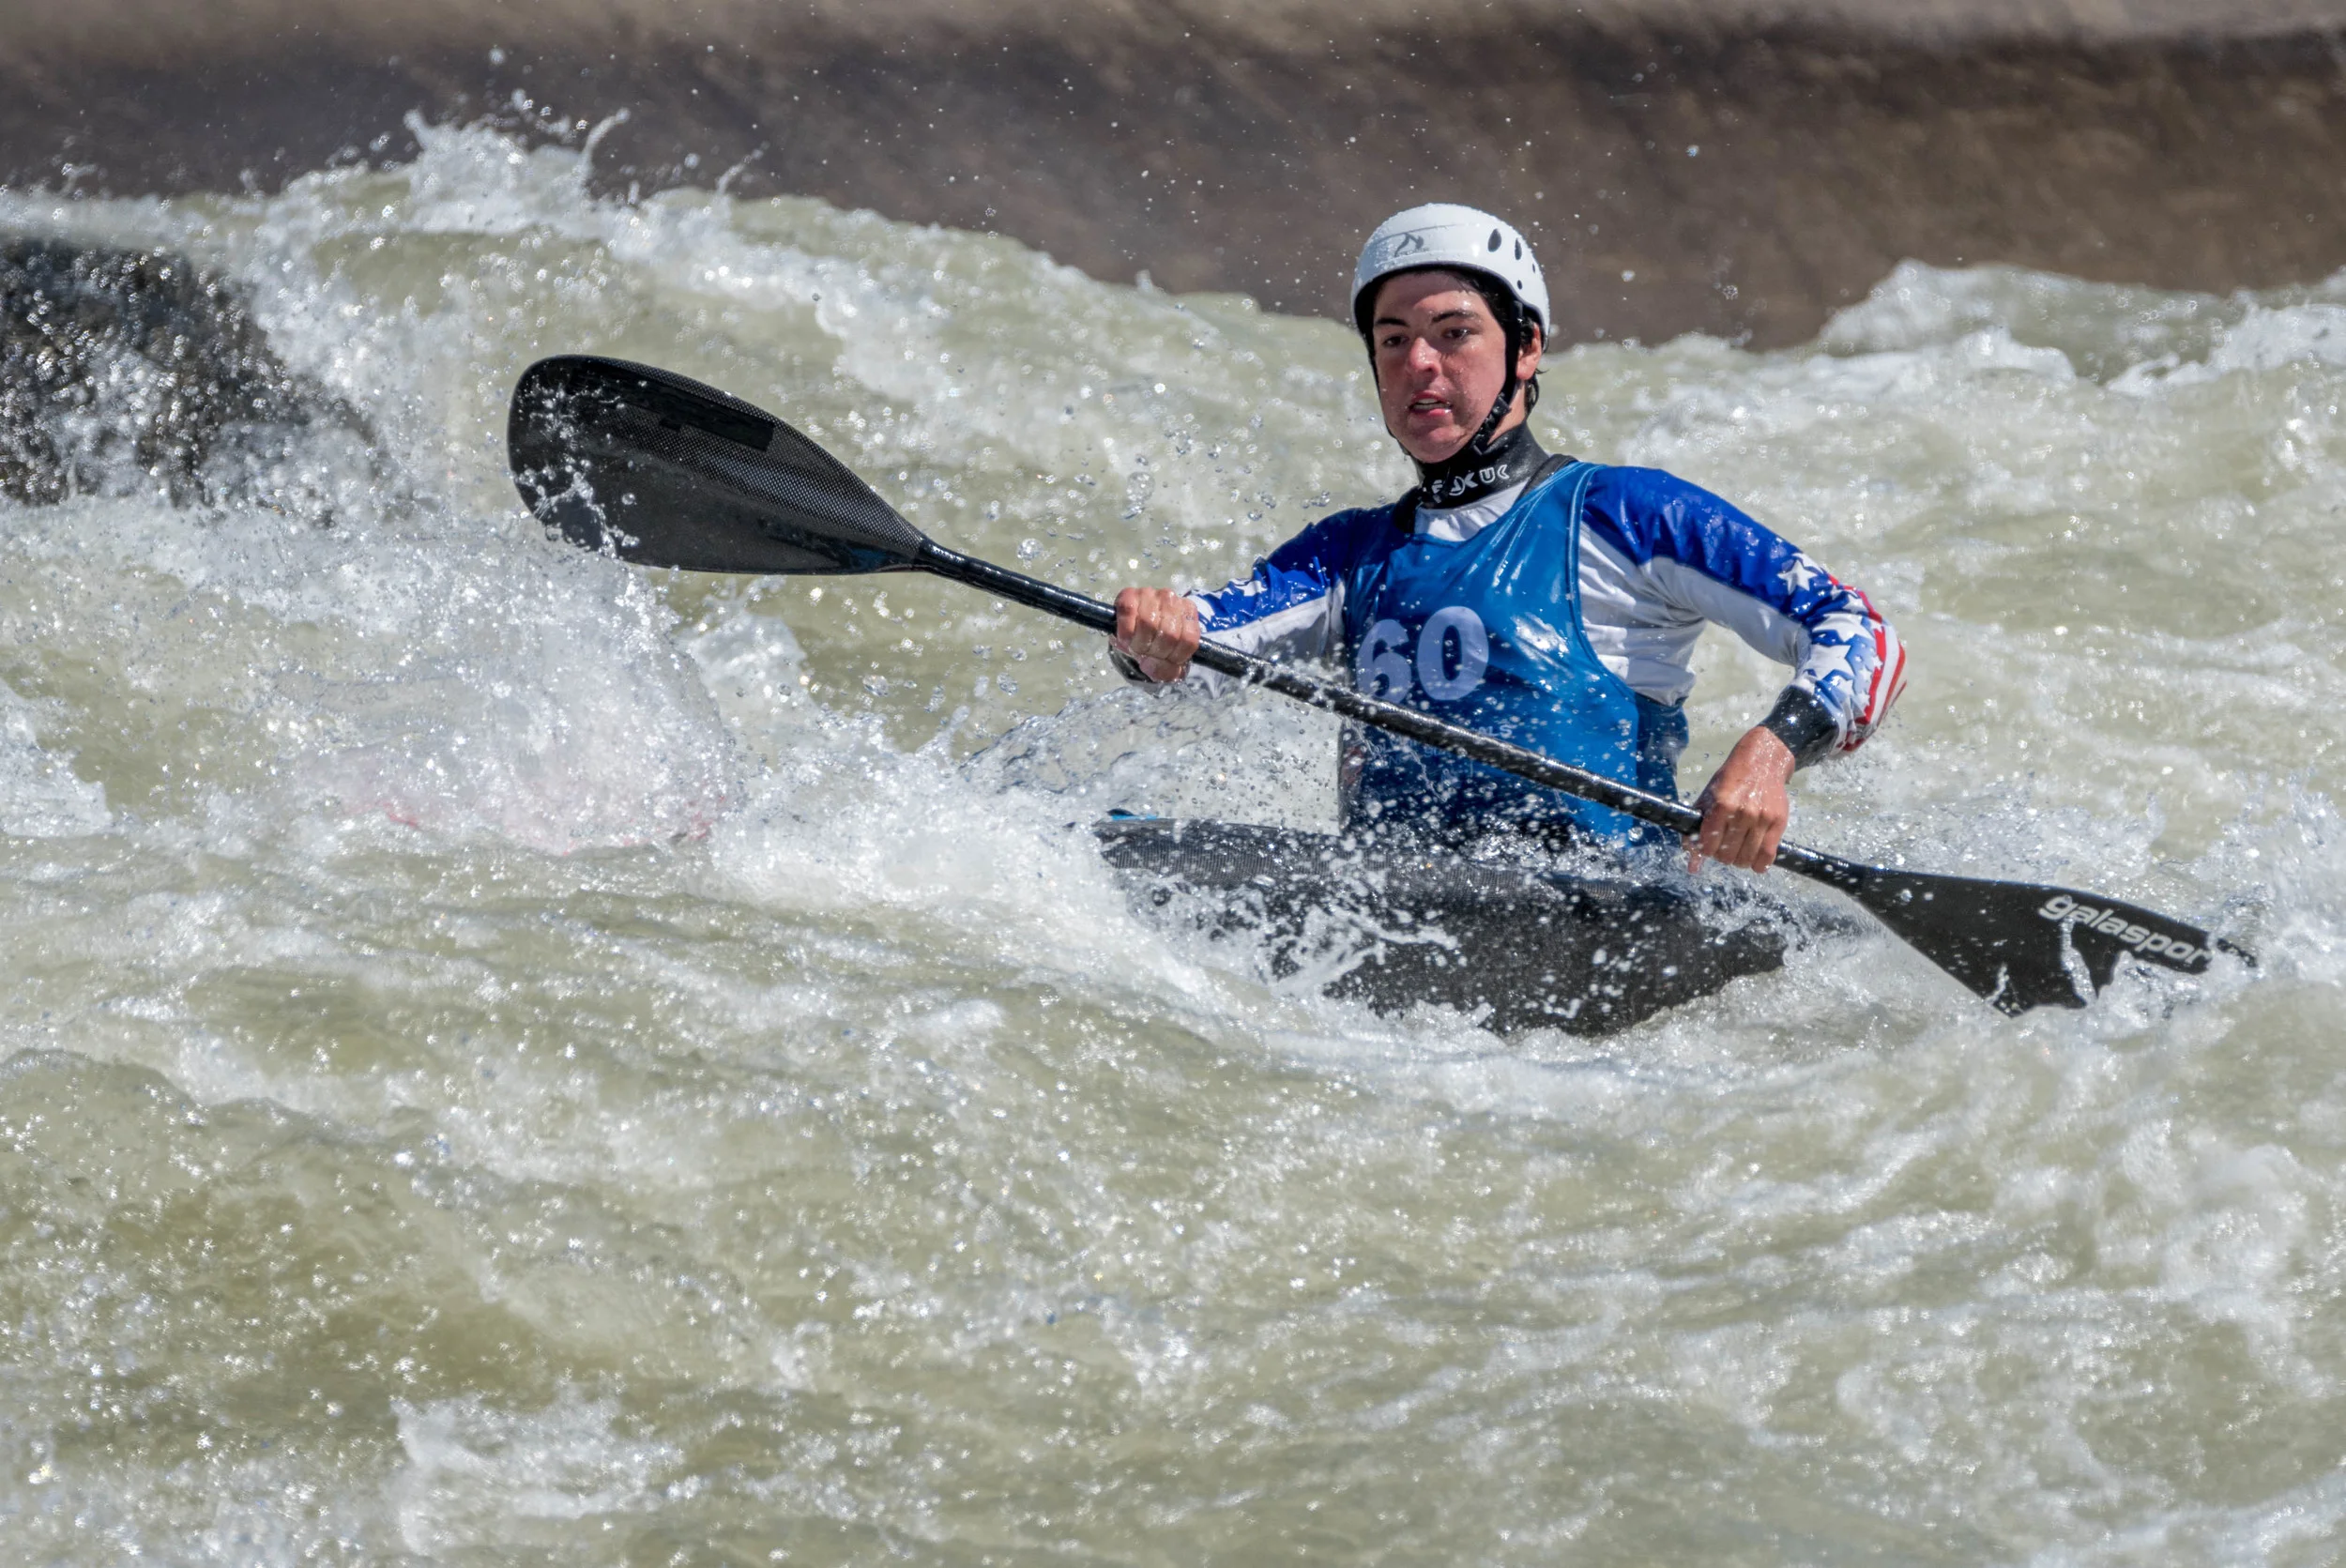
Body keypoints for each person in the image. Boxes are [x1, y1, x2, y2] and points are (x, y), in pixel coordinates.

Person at [1111, 203, 1906, 873]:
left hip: (1605, 914)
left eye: (1453, 333)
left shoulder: (1625, 513)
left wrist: (1772, 752)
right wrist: (1153, 637)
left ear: (1526, 348)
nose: (1420, 363)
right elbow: (1200, 651)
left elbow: (1861, 630)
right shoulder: (1345, 554)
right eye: (1393, 339)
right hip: (1389, 916)